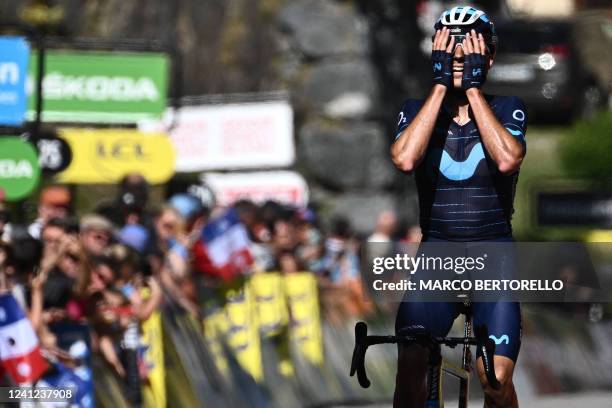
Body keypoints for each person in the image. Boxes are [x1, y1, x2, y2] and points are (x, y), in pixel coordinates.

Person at [390, 6, 527, 408]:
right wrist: (438, 87)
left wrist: (471, 89)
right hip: (437, 255)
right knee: (411, 363)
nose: (457, 59)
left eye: (467, 50)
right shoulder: (415, 110)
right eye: (449, 50)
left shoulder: (507, 107)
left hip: (494, 256)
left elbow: (507, 159)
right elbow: (404, 159)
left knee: (495, 380)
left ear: (489, 56)